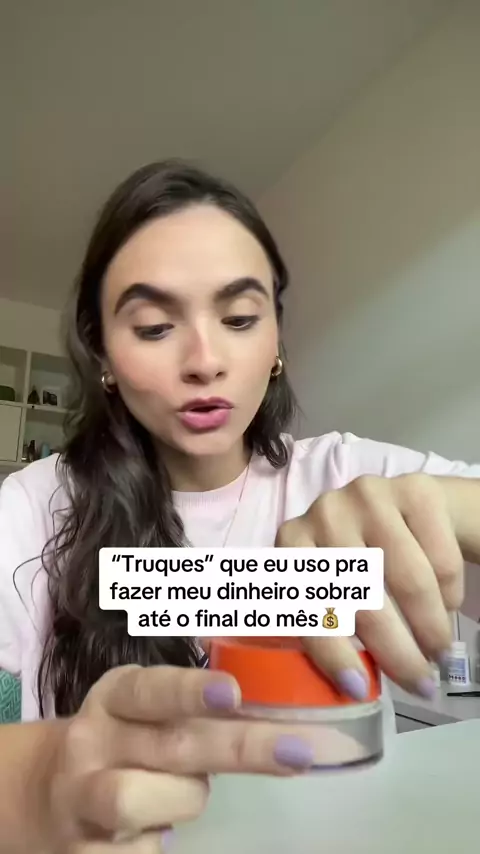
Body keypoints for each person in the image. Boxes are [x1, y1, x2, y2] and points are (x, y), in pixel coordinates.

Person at [0, 159, 479, 851]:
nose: (206, 359)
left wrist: (449, 508)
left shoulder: (343, 475)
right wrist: (31, 784)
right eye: (154, 327)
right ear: (102, 353)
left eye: (239, 317)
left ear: (275, 340)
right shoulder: (31, 506)